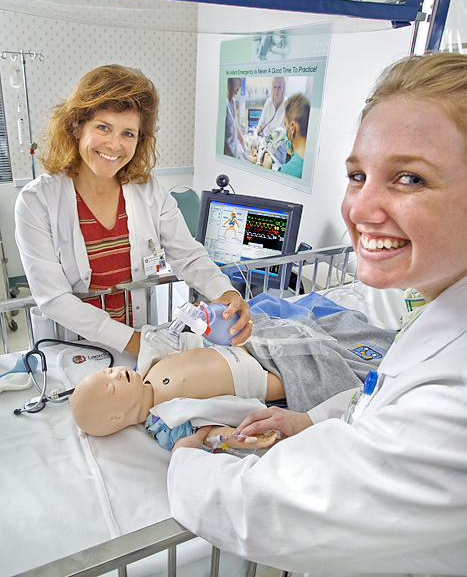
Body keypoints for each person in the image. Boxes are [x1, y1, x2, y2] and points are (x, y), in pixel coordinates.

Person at [167, 52, 467, 576]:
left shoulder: (455, 401)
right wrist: (311, 418)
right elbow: (382, 398)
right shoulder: (436, 316)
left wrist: (184, 460)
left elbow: (266, 510)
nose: (358, 208)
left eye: (410, 179)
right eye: (357, 175)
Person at [14, 65, 251, 357]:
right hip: (75, 347)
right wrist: (138, 343)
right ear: (77, 127)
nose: (114, 145)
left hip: (140, 340)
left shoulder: (147, 190)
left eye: (128, 133)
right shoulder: (37, 201)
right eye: (103, 127)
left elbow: (187, 255)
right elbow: (54, 298)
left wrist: (225, 294)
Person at [70, 344, 285, 451]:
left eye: (108, 371)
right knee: (295, 382)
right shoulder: (161, 424)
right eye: (111, 387)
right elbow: (207, 434)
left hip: (238, 348)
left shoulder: (143, 372)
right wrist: (240, 439)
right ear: (116, 417)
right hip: (255, 380)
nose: (116, 373)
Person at [262, 93, 310, 178]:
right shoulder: (310, 159)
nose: (284, 130)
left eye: (285, 124)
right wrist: (284, 135)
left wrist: (266, 170)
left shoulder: (286, 172)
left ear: (292, 127)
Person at [224, 77, 245, 159]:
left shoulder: (232, 101)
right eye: (239, 80)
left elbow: (235, 126)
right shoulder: (225, 104)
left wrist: (244, 146)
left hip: (233, 157)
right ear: (230, 79)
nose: (240, 86)